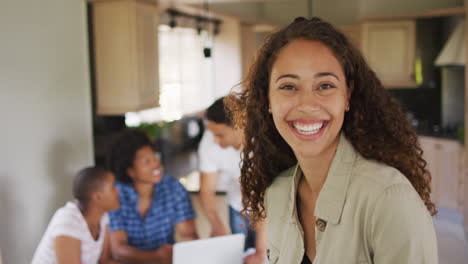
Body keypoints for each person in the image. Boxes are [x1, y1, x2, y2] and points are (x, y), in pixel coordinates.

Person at [226, 17, 438, 264]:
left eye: (325, 85)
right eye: (288, 86)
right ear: (268, 102)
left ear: (347, 95)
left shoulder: (389, 199)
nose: (307, 105)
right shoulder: (277, 194)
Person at [107, 129, 197, 264]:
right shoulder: (116, 194)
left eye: (155, 157)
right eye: (146, 162)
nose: (156, 164)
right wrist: (157, 257)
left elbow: (189, 236)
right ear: (130, 171)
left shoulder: (173, 187)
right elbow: (118, 249)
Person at [198, 97, 266, 264]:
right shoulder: (210, 140)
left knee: (265, 258)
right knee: (239, 257)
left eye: (220, 135)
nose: (215, 140)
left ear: (240, 126)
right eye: (213, 134)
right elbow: (207, 190)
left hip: (267, 210)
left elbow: (264, 206)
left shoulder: (263, 144)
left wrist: (260, 252)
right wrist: (216, 225)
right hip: (237, 207)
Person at [31, 167, 120, 264]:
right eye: (113, 187)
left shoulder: (103, 217)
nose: (117, 191)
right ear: (97, 197)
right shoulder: (68, 221)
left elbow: (104, 260)